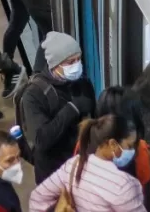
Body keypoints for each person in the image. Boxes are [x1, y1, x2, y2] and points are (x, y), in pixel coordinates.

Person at [20, 32, 96, 184]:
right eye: (70, 62)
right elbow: (41, 140)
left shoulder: (83, 82)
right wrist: (72, 109)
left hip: (79, 164)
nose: (76, 65)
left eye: (78, 59)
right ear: (55, 64)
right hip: (52, 173)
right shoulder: (34, 94)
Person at [29, 114, 145, 212]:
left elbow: (37, 197)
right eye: (130, 146)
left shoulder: (73, 164)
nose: (133, 151)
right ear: (113, 144)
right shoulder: (123, 185)